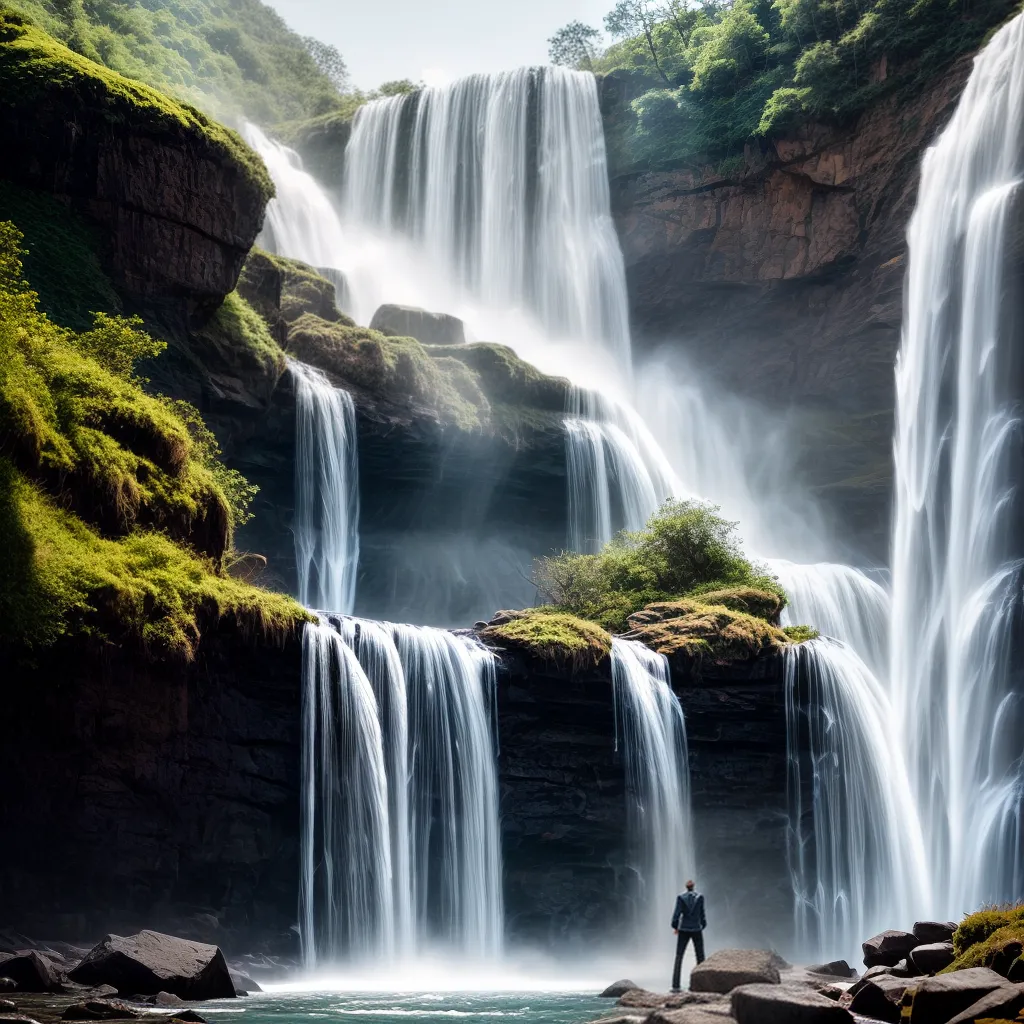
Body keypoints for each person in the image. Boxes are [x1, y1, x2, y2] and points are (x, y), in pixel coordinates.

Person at [670, 879, 706, 991]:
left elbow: (676, 914)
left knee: (679, 956)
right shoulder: (700, 897)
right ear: (693, 887)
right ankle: (701, 984)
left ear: (686, 887)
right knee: (700, 956)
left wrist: (675, 927)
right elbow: (702, 914)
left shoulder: (681, 897)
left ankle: (676, 985)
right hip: (696, 928)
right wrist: (702, 925)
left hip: (684, 929)